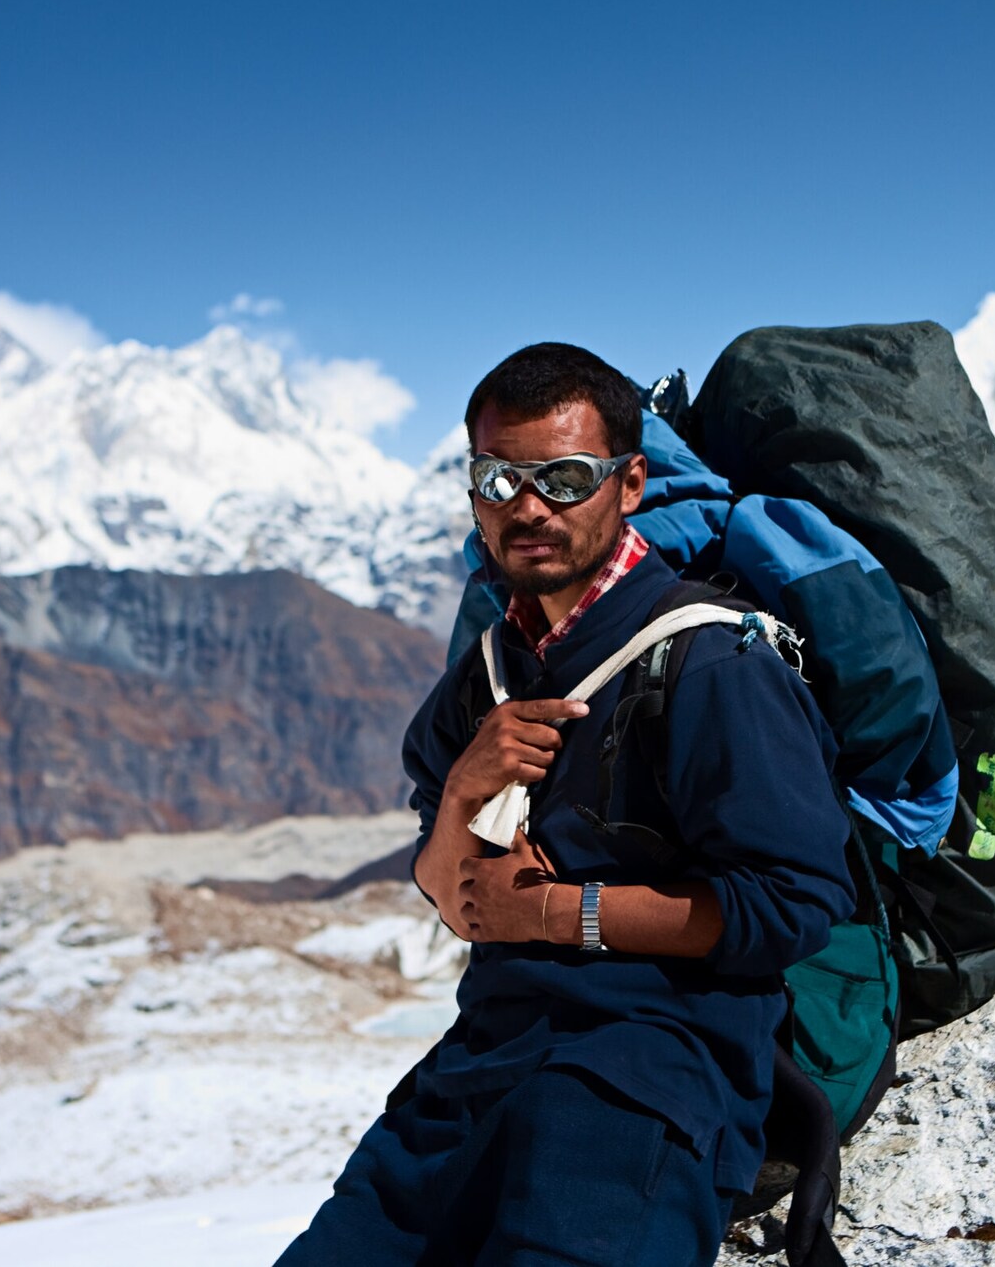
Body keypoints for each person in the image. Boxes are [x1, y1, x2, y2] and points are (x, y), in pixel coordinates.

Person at [277, 342, 855, 1266]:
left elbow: (788, 906)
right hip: (479, 1072)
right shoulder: (487, 677)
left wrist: (554, 913)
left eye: (564, 477)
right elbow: (451, 890)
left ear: (629, 484)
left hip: (649, 1079)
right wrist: (467, 787)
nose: (528, 506)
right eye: (498, 478)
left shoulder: (714, 665)